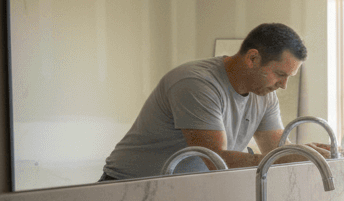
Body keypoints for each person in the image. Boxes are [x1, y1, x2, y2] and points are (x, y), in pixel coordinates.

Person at [101, 22, 315, 180]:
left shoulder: (265, 95)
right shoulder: (196, 83)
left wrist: (309, 153)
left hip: (181, 189)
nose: (283, 85)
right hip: (127, 186)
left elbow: (274, 149)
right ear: (252, 59)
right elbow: (216, 160)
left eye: (289, 77)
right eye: (280, 74)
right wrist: (286, 159)